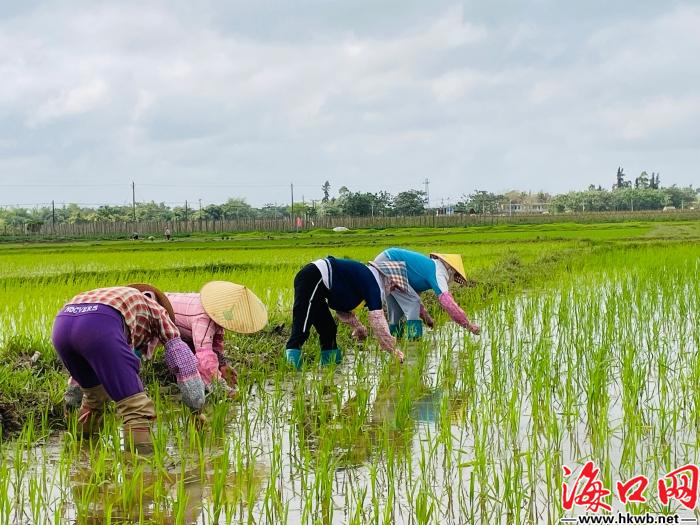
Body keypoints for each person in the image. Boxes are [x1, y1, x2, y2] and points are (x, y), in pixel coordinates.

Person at [53, 285, 205, 452]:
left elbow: (86, 363)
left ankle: (81, 451)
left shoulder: (120, 301)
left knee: (93, 398)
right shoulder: (159, 311)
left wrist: (71, 402)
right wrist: (196, 407)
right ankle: (141, 467)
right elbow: (182, 360)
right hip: (101, 325)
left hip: (62, 324)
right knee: (136, 408)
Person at [65, 280, 268, 404]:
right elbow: (203, 356)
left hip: (72, 326)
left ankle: (76, 399)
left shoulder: (217, 315)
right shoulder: (201, 317)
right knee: (131, 358)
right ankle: (131, 391)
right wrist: (222, 389)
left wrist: (223, 365)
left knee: (103, 361)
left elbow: (215, 346)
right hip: (128, 327)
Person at [285, 256, 408, 369]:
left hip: (322, 288)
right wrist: (392, 350)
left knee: (329, 329)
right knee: (302, 324)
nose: (392, 289)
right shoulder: (372, 284)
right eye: (394, 286)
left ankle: (330, 367)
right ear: (388, 279)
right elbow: (377, 320)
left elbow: (343, 307)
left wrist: (357, 327)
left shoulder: (364, 281)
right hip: (313, 276)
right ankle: (291, 369)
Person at [373, 248, 480, 339]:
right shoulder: (439, 272)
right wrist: (468, 325)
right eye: (455, 275)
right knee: (412, 303)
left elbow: (415, 300)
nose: (453, 278)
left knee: (396, 310)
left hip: (385, 261)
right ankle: (414, 343)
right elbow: (448, 303)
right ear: (451, 269)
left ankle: (395, 342)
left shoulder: (425, 270)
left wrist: (427, 319)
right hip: (391, 262)